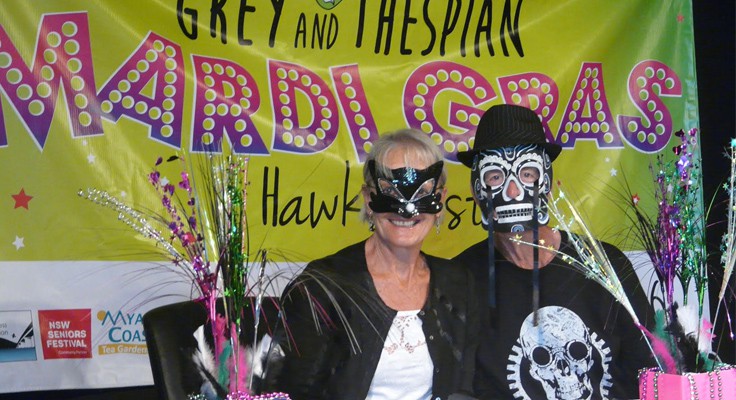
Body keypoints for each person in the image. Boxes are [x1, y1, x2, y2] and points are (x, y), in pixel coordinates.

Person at [453, 104, 654, 400]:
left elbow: (649, 366)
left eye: (527, 173)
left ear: (546, 183)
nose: (512, 192)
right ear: (477, 189)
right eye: (495, 176)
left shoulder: (604, 263)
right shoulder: (460, 280)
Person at [269, 129, 480, 400]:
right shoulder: (322, 286)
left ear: (439, 200)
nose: (406, 209)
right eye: (390, 192)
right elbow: (292, 391)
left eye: (422, 192)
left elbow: (466, 386)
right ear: (369, 200)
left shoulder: (458, 284)